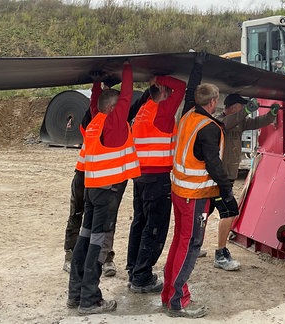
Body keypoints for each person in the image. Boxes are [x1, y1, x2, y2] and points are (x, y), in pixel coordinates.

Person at [161, 56, 238, 319]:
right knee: (192, 244)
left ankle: (169, 294)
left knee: (179, 241)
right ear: (214, 102)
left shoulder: (189, 115)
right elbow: (215, 164)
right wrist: (227, 190)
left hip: (179, 191)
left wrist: (198, 67)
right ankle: (178, 300)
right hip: (195, 196)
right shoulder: (210, 127)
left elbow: (191, 94)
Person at [67, 61, 140, 315]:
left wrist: (97, 82)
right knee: (98, 246)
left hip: (92, 191)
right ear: (112, 108)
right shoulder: (112, 124)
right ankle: (90, 300)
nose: (124, 107)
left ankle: (75, 295)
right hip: (107, 193)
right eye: (119, 105)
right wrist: (129, 67)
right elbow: (127, 96)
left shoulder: (95, 122)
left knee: (85, 241)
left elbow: (95, 102)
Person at [62, 81, 147, 276]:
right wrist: (99, 85)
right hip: (85, 174)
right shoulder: (94, 117)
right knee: (78, 214)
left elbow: (129, 110)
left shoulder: (115, 119)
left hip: (104, 176)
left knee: (106, 220)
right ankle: (71, 254)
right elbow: (95, 107)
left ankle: (106, 257)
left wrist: (147, 93)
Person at [126, 74, 186, 293]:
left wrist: (154, 83)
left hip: (140, 176)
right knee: (154, 228)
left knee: (139, 224)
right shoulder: (161, 111)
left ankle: (134, 269)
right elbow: (181, 86)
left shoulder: (143, 110)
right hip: (157, 177)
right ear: (162, 91)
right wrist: (160, 78)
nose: (170, 95)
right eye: (166, 91)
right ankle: (141, 277)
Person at [212, 94, 279, 271]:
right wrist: (246, 111)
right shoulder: (218, 120)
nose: (244, 110)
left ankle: (195, 247)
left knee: (212, 211)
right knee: (228, 212)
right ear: (233, 107)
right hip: (219, 177)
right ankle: (220, 254)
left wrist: (271, 115)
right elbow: (226, 124)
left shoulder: (240, 120)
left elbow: (257, 123)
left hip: (229, 175)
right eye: (242, 107)